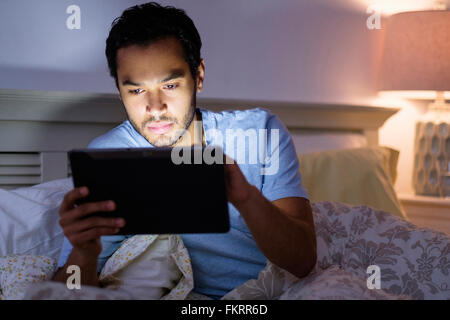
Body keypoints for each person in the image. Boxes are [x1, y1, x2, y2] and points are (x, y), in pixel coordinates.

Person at [53, 2, 317, 300]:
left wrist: (245, 197)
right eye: (136, 90)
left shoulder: (259, 132)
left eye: (170, 85)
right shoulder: (106, 156)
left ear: (199, 76)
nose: (154, 107)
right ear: (119, 90)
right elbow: (68, 293)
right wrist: (84, 253)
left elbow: (304, 261)